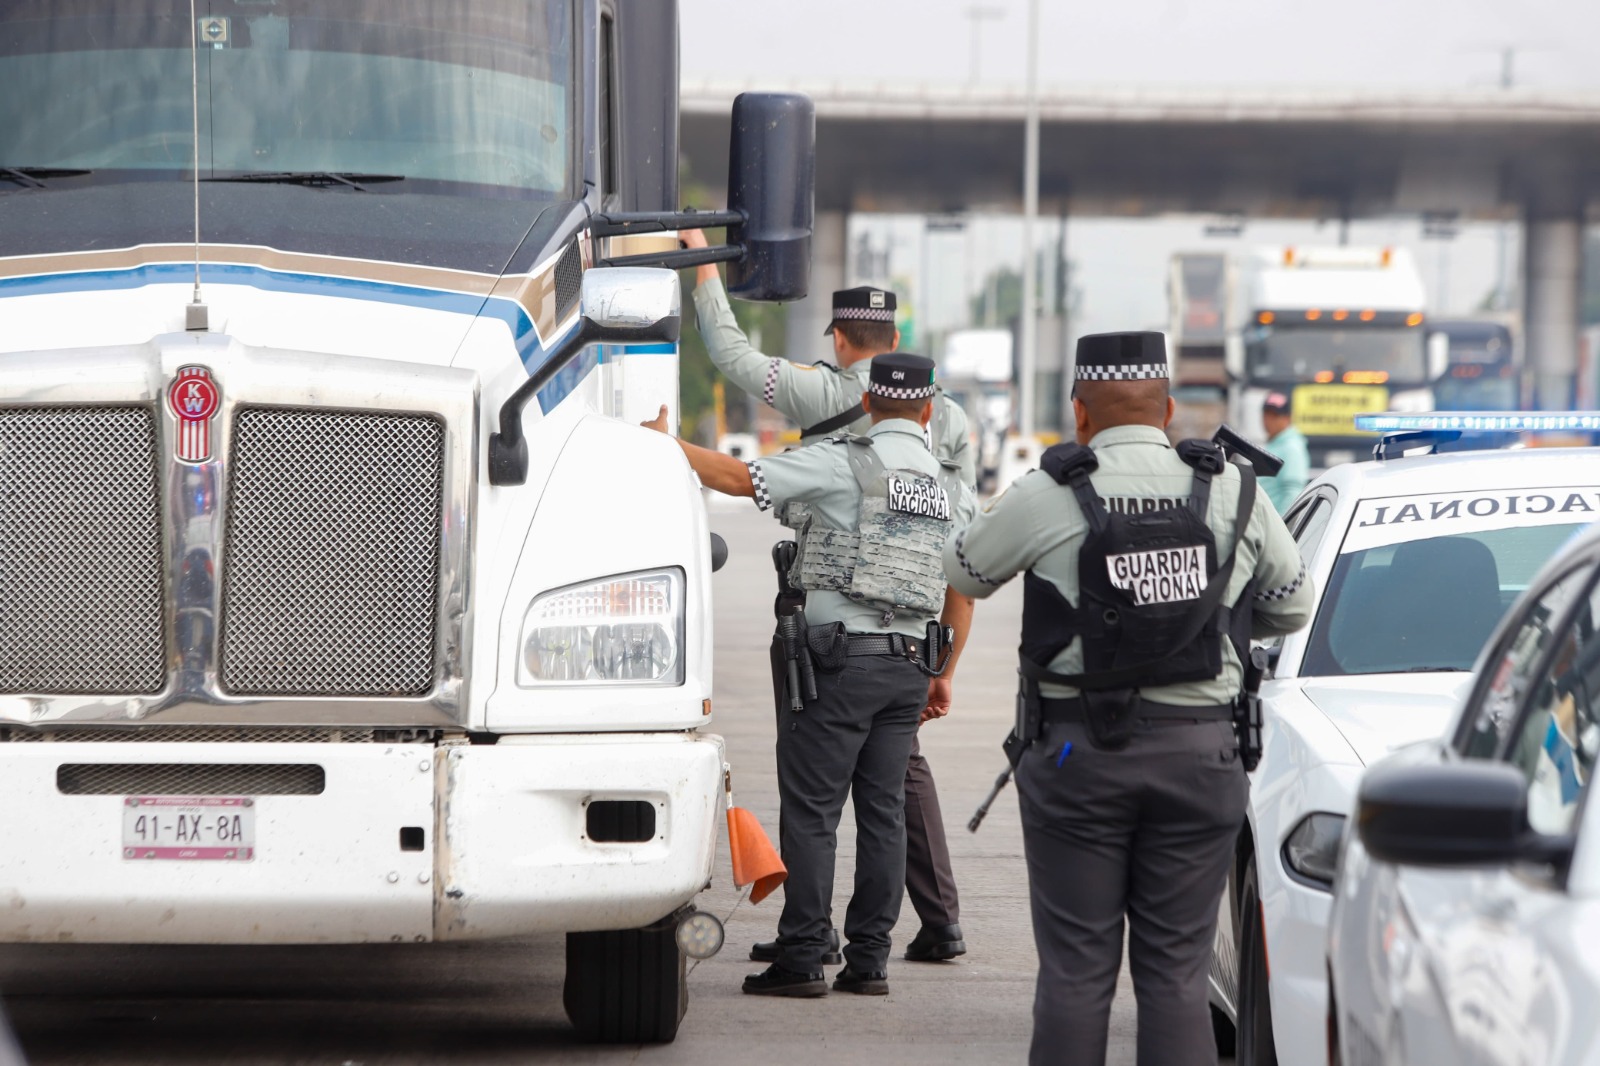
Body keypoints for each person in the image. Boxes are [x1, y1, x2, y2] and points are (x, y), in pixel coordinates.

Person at [942, 332, 1314, 1065]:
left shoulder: (1048, 491)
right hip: (1203, 756)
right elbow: (1292, 604)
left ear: (1079, 413)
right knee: (1176, 978)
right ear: (1169, 409)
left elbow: (966, 569)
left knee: (1076, 973)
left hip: (1078, 756)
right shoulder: (1233, 488)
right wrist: (1210, 615)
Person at [644, 354, 976, 998]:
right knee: (883, 814)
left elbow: (741, 479)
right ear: (930, 411)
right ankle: (870, 961)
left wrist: (667, 445)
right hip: (911, 662)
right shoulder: (952, 488)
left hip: (837, 661)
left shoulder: (842, 460)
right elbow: (963, 589)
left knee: (814, 810)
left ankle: (801, 956)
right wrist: (945, 671)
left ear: (871, 404)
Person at [1259, 391, 1309, 513]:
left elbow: (1293, 491)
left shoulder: (1291, 447)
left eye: (1275, 416)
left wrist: (1282, 525)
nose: (1269, 420)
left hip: (1274, 526)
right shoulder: (1275, 444)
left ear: (1287, 418)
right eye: (1266, 415)